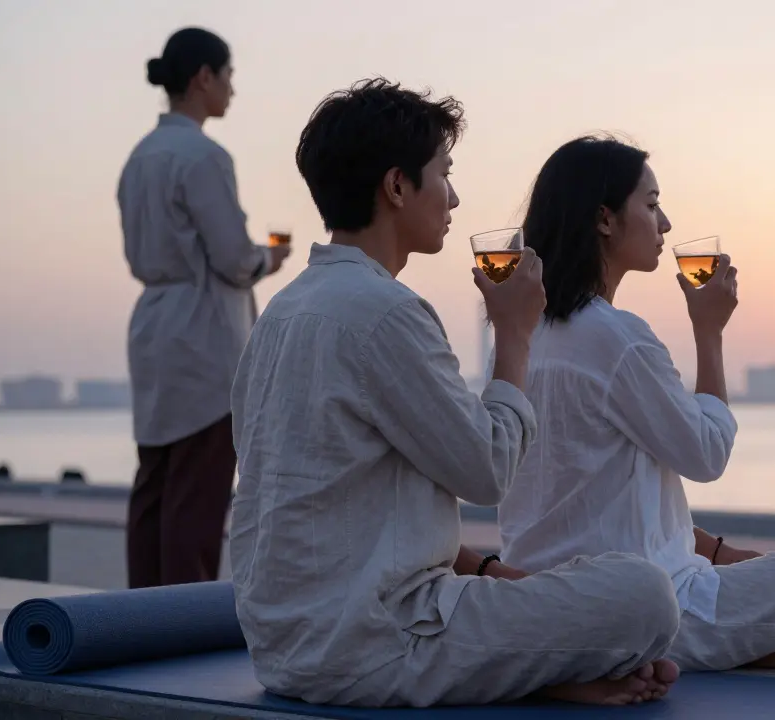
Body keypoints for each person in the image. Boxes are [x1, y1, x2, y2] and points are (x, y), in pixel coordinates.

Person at [228, 79, 680, 709]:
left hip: (282, 645)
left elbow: (331, 498)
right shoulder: (387, 314)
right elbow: (488, 472)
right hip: (376, 645)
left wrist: (495, 573)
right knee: (646, 596)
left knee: (600, 593)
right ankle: (542, 670)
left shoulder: (281, 312)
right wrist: (515, 336)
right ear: (396, 187)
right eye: (443, 173)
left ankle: (548, 671)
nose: (454, 196)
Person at [495, 135, 775, 674]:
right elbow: (707, 455)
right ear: (605, 220)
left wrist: (718, 552)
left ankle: (757, 646)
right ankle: (748, 649)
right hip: (657, 604)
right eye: (652, 205)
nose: (666, 224)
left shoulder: (524, 331)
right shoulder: (616, 337)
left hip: (543, 595)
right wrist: (710, 333)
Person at [118, 27, 290, 589]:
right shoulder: (203, 156)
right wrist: (269, 259)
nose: (233, 89)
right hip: (204, 331)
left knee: (156, 483)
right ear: (203, 78)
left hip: (154, 327)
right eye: (229, 75)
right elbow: (234, 258)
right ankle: (179, 628)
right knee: (198, 487)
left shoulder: (139, 158)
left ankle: (140, 616)